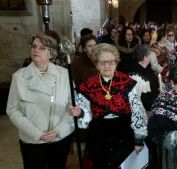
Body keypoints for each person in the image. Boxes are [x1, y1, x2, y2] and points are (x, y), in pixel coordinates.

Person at [69, 43, 148, 169]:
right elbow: (86, 115)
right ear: (96, 64)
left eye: (111, 62)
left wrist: (138, 140)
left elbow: (137, 112)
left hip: (124, 135)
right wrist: (80, 113)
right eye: (102, 62)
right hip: (98, 136)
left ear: (116, 62)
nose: (107, 66)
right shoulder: (88, 86)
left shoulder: (127, 83)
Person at [6, 33, 74, 169]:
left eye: (42, 48)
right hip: (32, 139)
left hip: (60, 137)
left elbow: (72, 107)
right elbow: (13, 110)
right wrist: (37, 134)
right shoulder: (19, 77)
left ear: (52, 54)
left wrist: (59, 130)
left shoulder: (65, 75)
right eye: (34, 46)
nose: (36, 50)